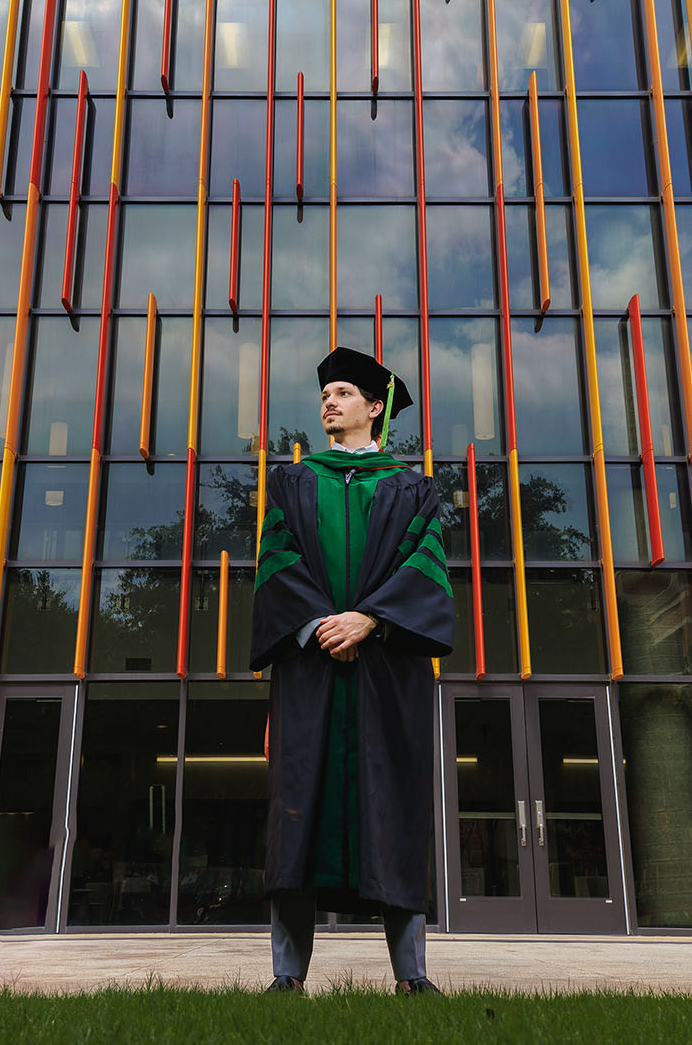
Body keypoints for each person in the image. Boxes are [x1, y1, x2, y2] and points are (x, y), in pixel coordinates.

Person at [250, 346, 455, 995]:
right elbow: (276, 563)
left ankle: (412, 975)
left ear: (374, 408)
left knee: (392, 809)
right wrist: (319, 626)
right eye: (324, 395)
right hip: (311, 672)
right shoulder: (291, 484)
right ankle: (287, 975)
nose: (328, 403)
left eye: (342, 393)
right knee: (297, 813)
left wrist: (369, 620)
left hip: (385, 673)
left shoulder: (413, 489)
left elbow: (426, 568)